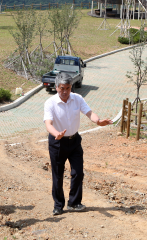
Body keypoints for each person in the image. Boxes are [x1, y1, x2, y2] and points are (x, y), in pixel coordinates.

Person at [44, 73, 112, 216]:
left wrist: (98, 121)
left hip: (74, 141)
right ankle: (58, 205)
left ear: (71, 88)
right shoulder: (50, 103)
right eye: (62, 88)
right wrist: (56, 133)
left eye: (68, 88)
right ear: (56, 87)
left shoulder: (77, 99)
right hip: (57, 143)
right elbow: (48, 124)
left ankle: (74, 202)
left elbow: (89, 113)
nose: (65, 92)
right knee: (58, 175)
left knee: (78, 172)